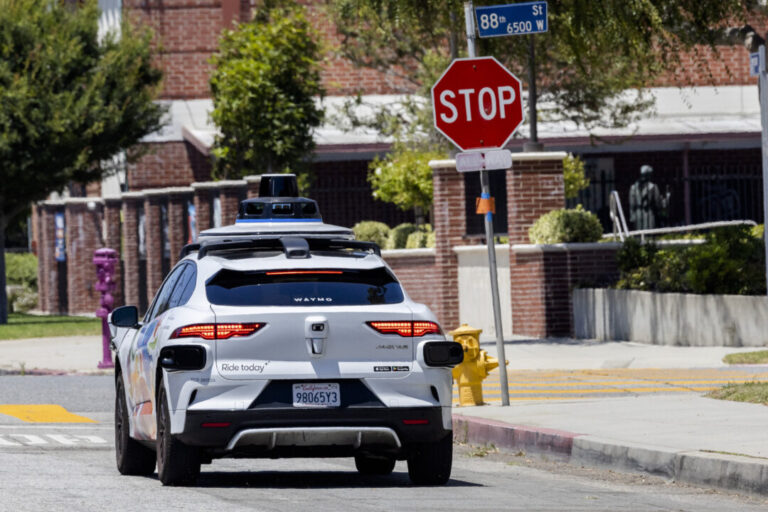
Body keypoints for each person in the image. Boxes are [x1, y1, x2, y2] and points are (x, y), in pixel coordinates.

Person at [629, 165, 670, 230]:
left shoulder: (633, 188)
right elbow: (658, 204)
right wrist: (665, 200)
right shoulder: (653, 187)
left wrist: (632, 217)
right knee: (649, 235)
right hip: (649, 214)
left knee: (639, 236)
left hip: (638, 215)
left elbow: (631, 205)